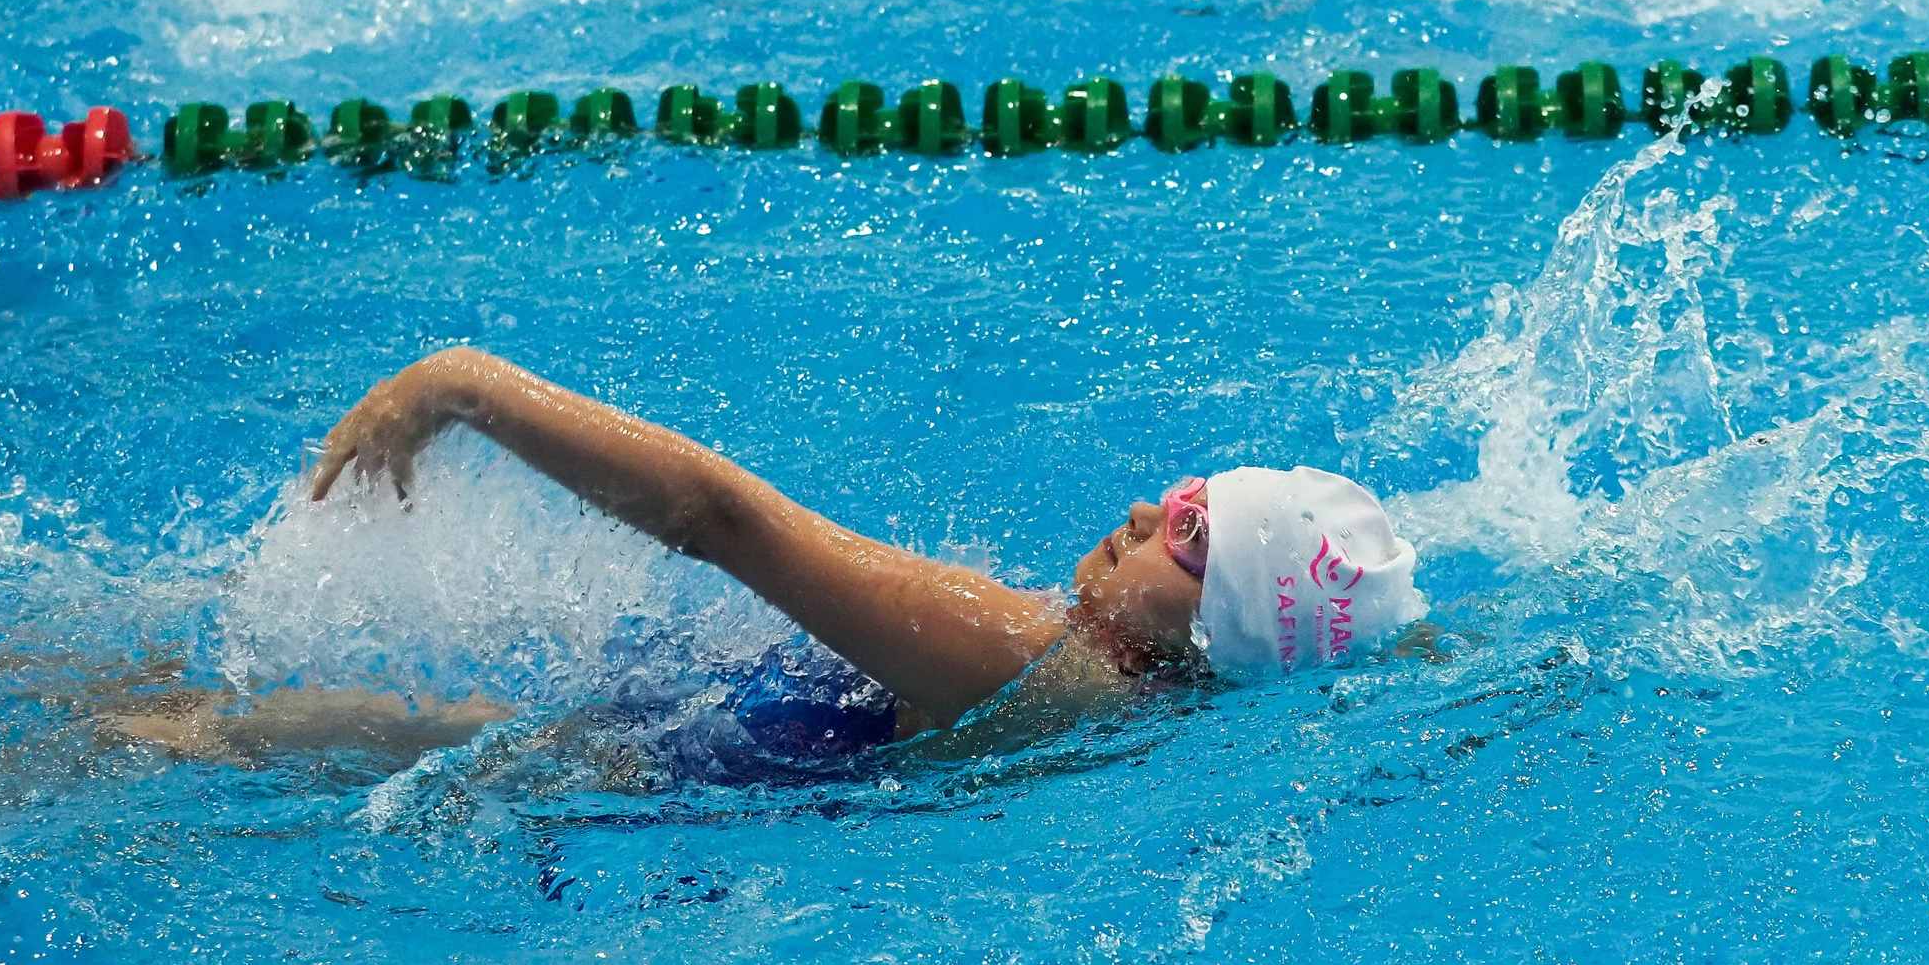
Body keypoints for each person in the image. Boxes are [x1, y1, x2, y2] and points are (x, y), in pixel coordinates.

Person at [175, 347, 1422, 773]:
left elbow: (726, 522)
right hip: (630, 752)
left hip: (586, 773)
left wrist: (466, 388)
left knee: (150, 735)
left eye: (1194, 538)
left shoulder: (1029, 659)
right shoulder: (1114, 706)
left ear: (1227, 632)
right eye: (1187, 494)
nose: (1151, 508)